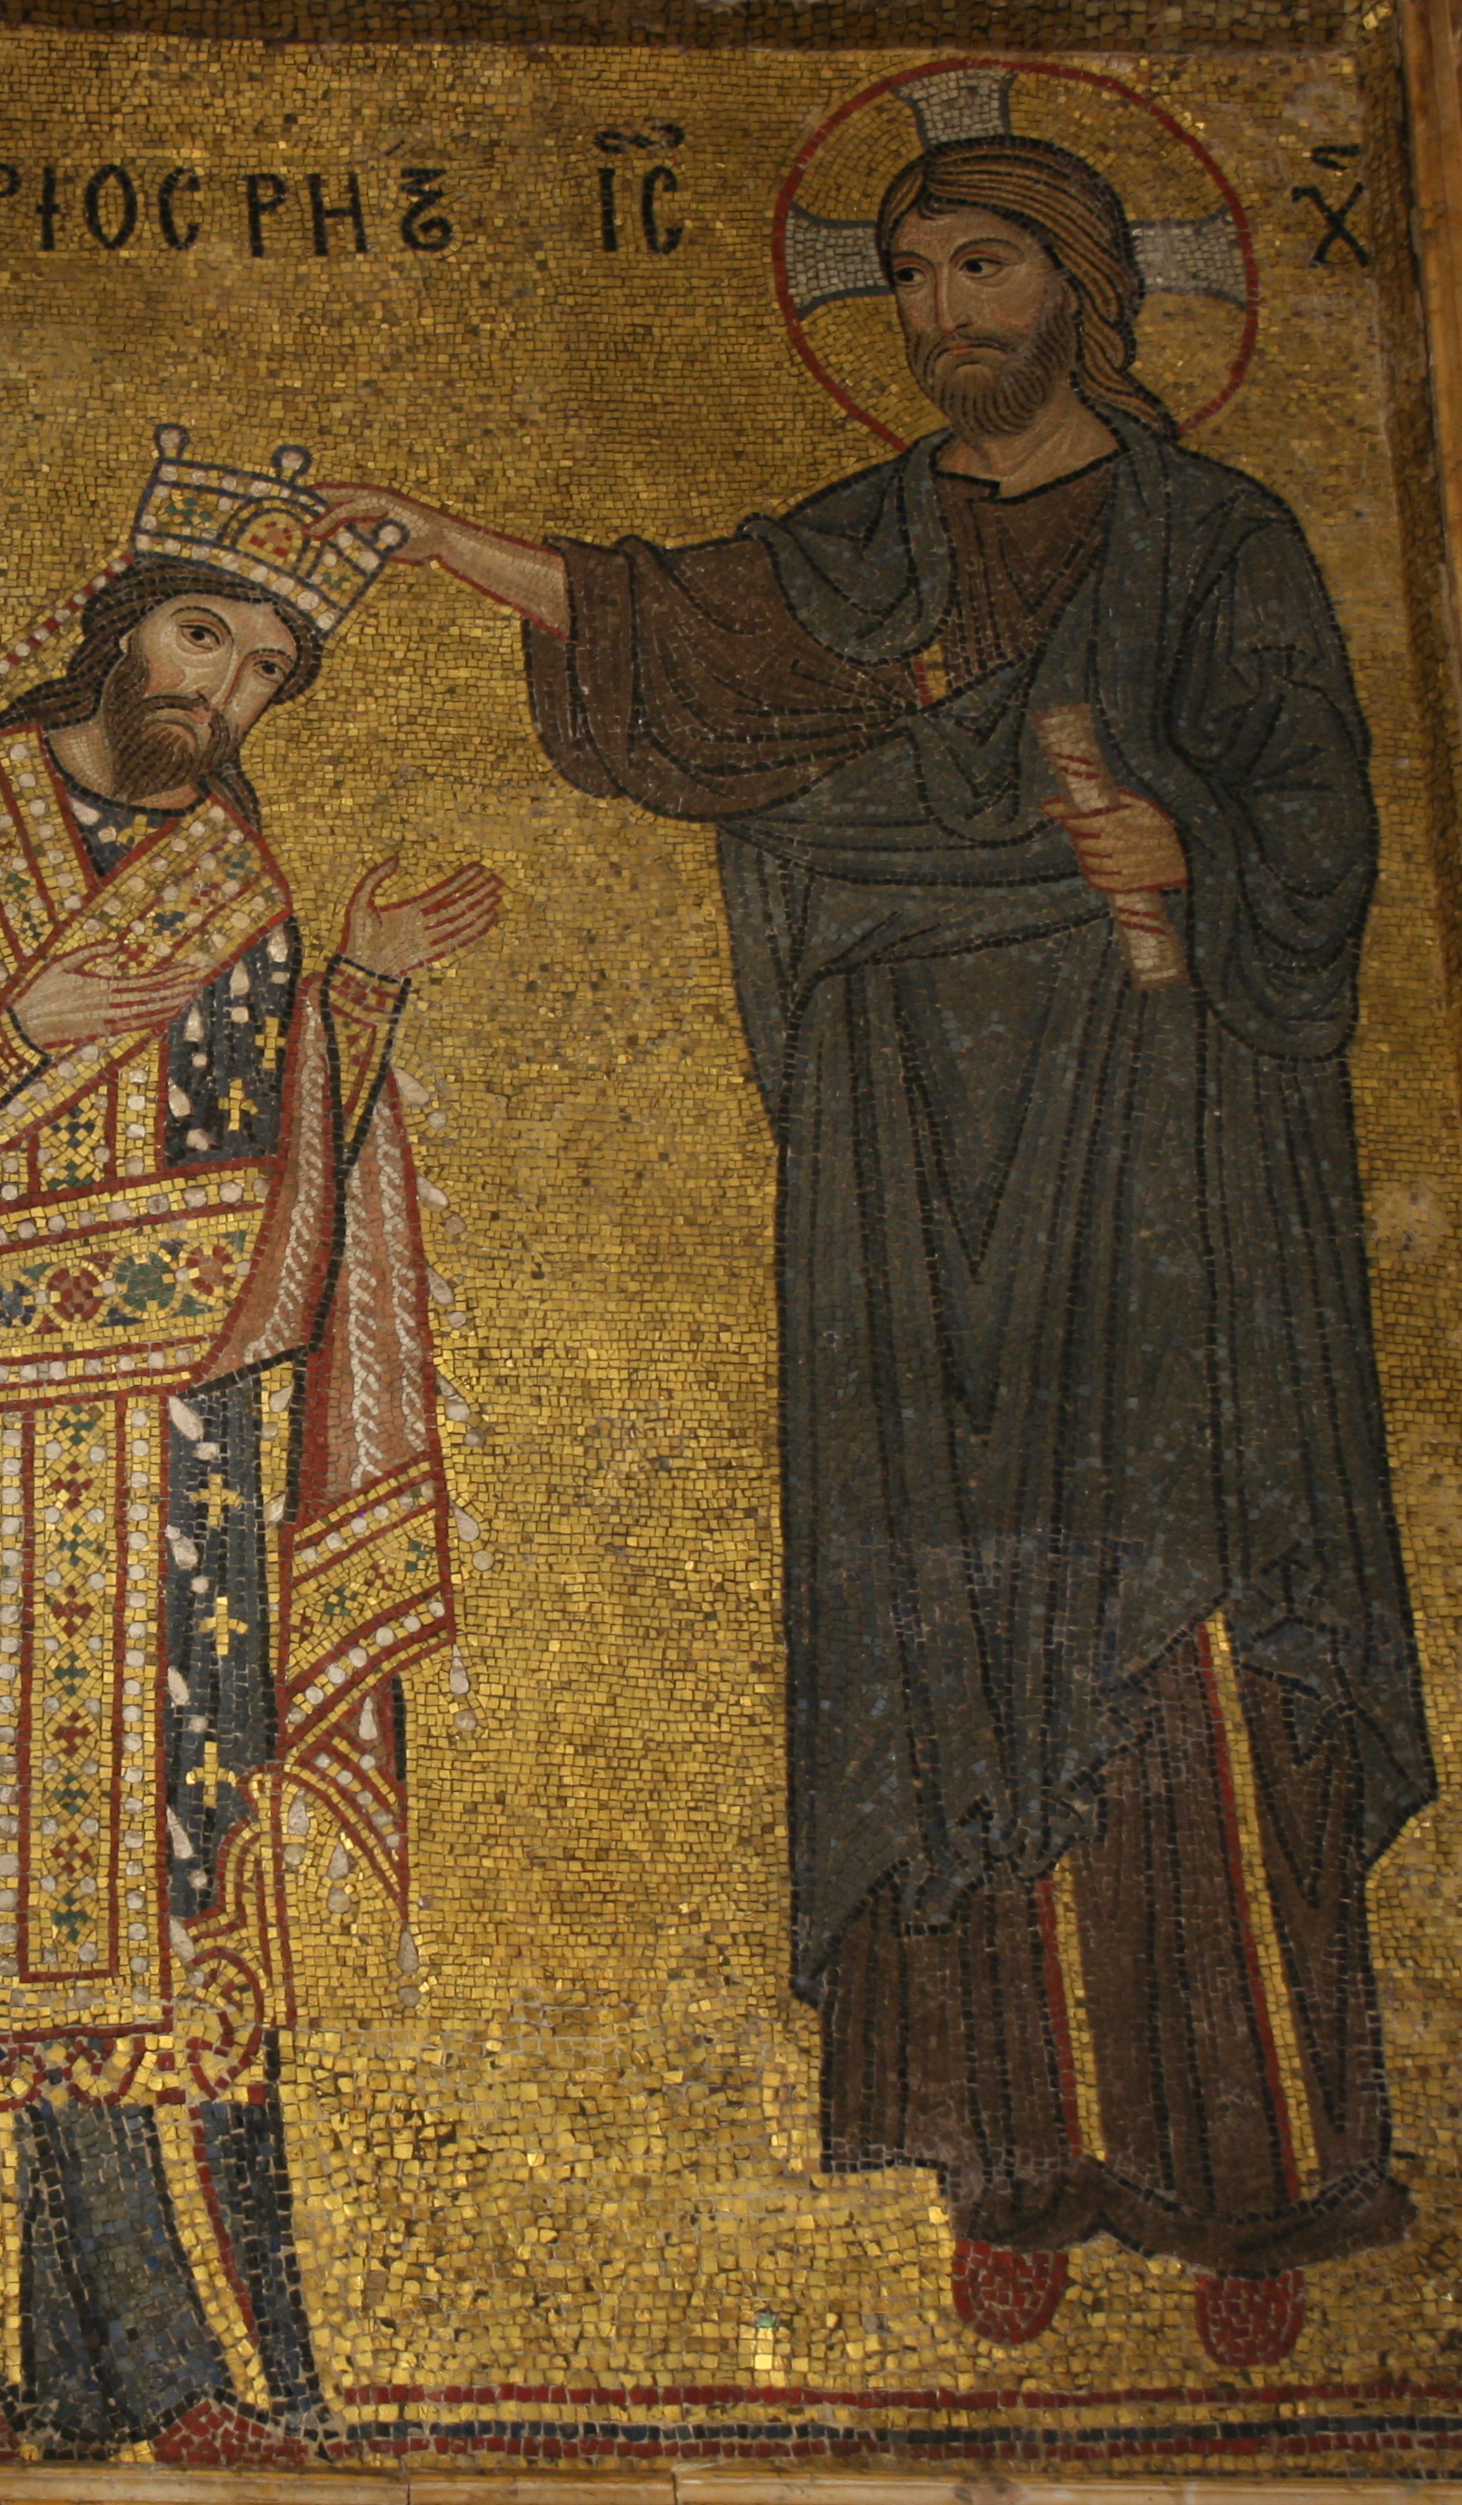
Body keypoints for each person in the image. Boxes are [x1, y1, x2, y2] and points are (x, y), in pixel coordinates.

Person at [313, 135, 1436, 2364]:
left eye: (987, 259)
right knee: (945, 1625)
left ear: (1084, 282)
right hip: (908, 1155)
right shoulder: (883, 537)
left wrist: (1181, 842)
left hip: (1163, 1158)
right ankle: (1004, 2156)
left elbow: (1322, 820)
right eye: (915, 271)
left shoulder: (1222, 542)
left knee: (1180, 1608)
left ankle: (1255, 2182)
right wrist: (429, 541)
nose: (943, 307)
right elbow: (689, 622)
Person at [0, 441, 500, 2457]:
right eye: (201, 636)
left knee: (161, 1868)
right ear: (121, 620)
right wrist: (10, 1030)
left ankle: (158, 2360)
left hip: (165, 1428)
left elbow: (284, 1186)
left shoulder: (237, 886)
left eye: (263, 670)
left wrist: (357, 989)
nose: (220, 693)